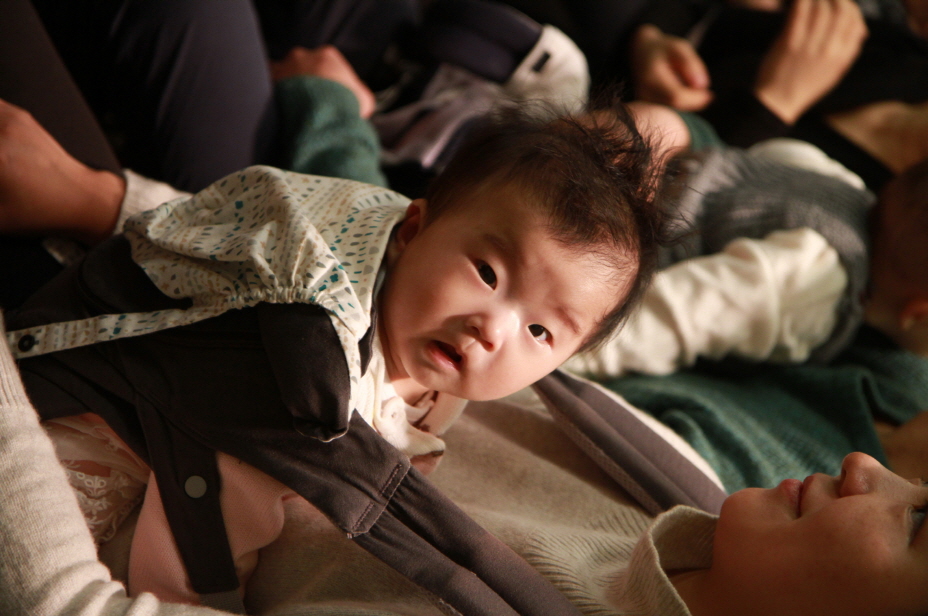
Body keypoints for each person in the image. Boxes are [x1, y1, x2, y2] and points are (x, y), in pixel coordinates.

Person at [4, 100, 666, 610]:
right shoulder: (313, 385)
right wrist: (202, 602)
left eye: (541, 332)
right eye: (488, 273)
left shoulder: (406, 307)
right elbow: (202, 514)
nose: (492, 328)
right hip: (65, 442)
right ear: (413, 228)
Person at [3, 318, 928, 616]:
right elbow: (378, 320)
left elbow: (69, 606)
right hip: (166, 336)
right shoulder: (674, 480)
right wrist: (111, 199)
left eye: (919, 523)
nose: (866, 466)